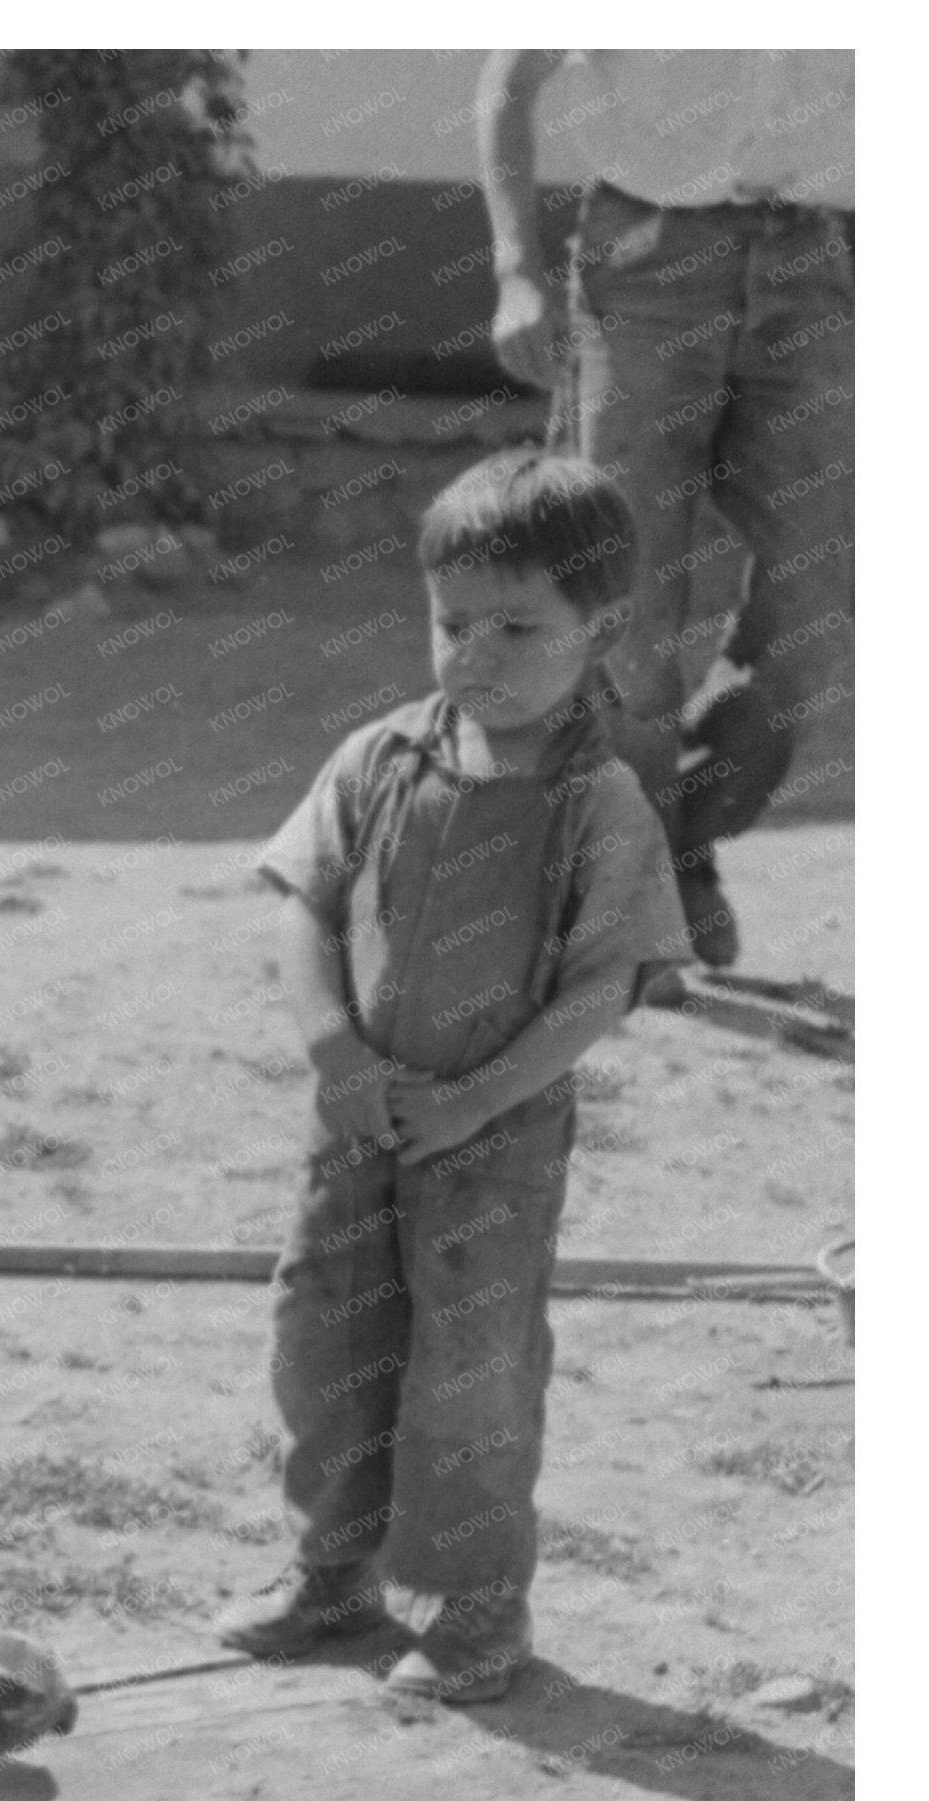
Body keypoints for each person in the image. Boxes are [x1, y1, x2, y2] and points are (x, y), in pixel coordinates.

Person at [214, 453, 695, 1704]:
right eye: (450, 622)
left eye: (516, 627)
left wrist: (479, 1096)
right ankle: (330, 1571)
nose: (474, 654)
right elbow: (302, 902)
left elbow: (603, 982)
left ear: (601, 631)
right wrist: (332, 1048)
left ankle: (478, 1608)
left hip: (495, 1138)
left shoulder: (600, 802)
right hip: (357, 1121)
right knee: (324, 1341)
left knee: (467, 1367)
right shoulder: (376, 757)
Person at [478, 49, 852, 969]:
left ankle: (680, 828)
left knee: (828, 599)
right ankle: (632, 893)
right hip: (646, 267)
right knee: (628, 601)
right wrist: (518, 270)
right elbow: (510, 81)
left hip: (817, 264)